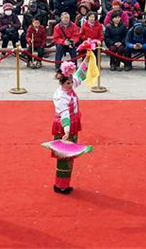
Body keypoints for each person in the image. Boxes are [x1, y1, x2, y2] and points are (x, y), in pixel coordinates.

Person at [51, 59, 88, 194]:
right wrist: (66, 130)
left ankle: (64, 183)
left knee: (69, 156)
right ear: (62, 83)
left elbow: (79, 75)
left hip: (72, 124)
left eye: (71, 82)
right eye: (68, 83)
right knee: (64, 157)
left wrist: (87, 58)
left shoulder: (70, 87)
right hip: (64, 126)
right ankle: (61, 185)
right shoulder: (61, 96)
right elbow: (64, 115)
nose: (71, 84)